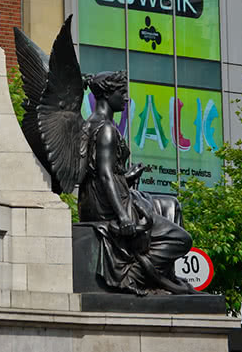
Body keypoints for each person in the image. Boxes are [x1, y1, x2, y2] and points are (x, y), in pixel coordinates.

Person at [79, 71, 193, 295]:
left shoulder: (90, 124)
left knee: (171, 205)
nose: (126, 98)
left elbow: (101, 172)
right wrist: (123, 216)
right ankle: (135, 276)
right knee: (181, 239)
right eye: (121, 92)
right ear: (107, 94)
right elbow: (104, 175)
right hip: (108, 207)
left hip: (103, 197)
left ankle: (164, 276)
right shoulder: (106, 129)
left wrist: (126, 177)